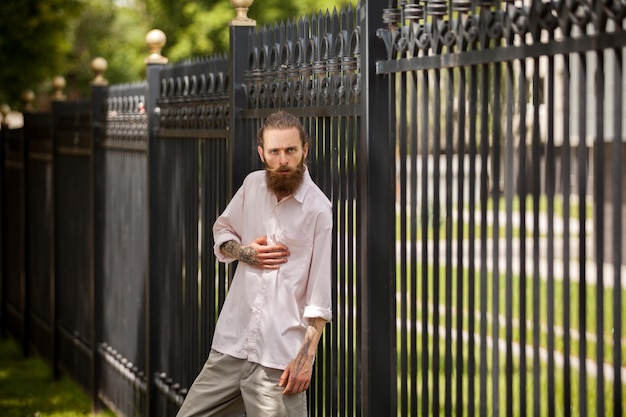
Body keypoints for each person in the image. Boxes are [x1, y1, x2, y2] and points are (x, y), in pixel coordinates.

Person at [176, 111, 333, 417]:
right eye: (275, 151)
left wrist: (306, 358)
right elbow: (222, 231)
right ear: (262, 153)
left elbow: (319, 296)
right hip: (231, 345)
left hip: (277, 360)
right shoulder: (252, 186)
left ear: (305, 149)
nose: (283, 160)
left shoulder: (318, 209)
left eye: (290, 150)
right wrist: (245, 252)